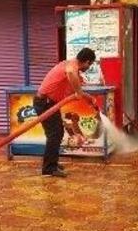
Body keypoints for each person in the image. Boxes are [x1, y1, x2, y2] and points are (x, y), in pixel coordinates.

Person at [34, 48, 97, 178]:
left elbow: (75, 92)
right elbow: (70, 74)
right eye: (89, 64)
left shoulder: (70, 66)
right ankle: (49, 169)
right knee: (55, 134)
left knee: (57, 134)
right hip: (45, 103)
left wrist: (88, 98)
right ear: (86, 61)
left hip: (49, 103)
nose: (88, 67)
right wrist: (79, 92)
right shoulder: (71, 66)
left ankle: (52, 163)